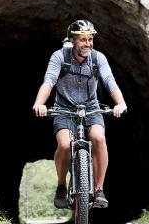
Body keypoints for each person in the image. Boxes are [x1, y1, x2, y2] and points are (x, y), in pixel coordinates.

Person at [32, 20, 127, 209]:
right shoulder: (59, 57)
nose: (88, 44)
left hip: (91, 107)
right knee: (65, 145)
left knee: (98, 138)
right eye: (83, 40)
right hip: (64, 108)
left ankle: (99, 190)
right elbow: (49, 81)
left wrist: (120, 103)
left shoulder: (98, 58)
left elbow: (109, 81)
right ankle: (61, 185)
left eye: (90, 39)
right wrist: (39, 103)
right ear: (72, 41)